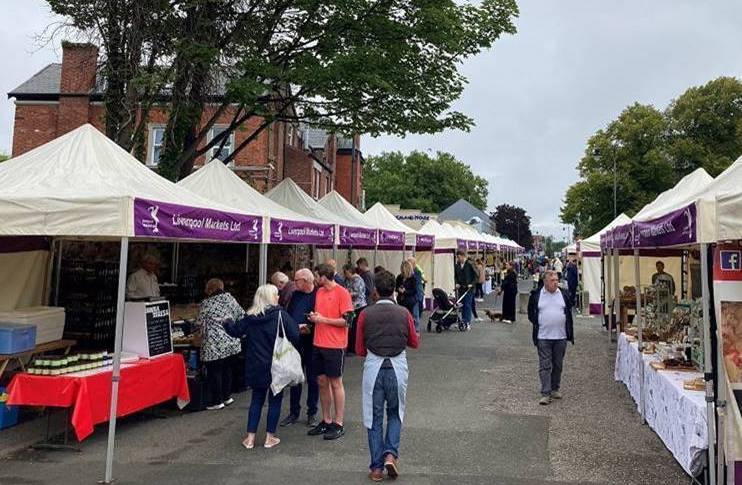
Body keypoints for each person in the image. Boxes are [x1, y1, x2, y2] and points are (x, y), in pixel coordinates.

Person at [355, 270, 419, 481]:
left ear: (375, 291)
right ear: (394, 290)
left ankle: (376, 467)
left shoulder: (365, 314)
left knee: (373, 418)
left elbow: (359, 349)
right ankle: (390, 453)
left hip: (374, 366)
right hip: (397, 366)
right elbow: (414, 342)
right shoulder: (404, 313)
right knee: (395, 412)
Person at [223, 284, 299, 449]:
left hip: (255, 364)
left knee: (256, 400)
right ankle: (269, 437)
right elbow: (295, 335)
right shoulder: (280, 315)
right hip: (276, 365)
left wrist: (227, 321)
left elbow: (235, 331)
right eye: (276, 295)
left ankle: (250, 438)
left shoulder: (250, 318)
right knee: (275, 400)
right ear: (271, 297)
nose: (279, 297)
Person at [307, 263, 354, 440]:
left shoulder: (342, 293)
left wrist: (323, 319)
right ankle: (326, 420)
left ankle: (338, 422)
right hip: (319, 342)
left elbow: (348, 321)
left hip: (336, 345)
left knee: (336, 382)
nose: (315, 279)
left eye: (317, 276)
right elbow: (320, 315)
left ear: (324, 277)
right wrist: (314, 317)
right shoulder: (319, 292)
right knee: (321, 381)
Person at [527, 271, 574, 406]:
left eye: (556, 280)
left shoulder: (564, 294)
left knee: (558, 364)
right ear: (545, 282)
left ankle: (555, 388)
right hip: (543, 335)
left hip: (561, 336)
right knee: (545, 365)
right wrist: (540, 322)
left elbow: (568, 310)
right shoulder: (537, 295)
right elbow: (531, 314)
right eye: (552, 280)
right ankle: (545, 393)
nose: (555, 282)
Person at [197, 278, 244, 410]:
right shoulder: (230, 299)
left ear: (210, 289)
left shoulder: (205, 303)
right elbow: (241, 315)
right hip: (231, 340)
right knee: (227, 369)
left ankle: (217, 401)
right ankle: (227, 397)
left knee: (215, 371)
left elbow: (200, 323)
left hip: (214, 344)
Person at [280, 269, 319, 427]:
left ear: (306, 280)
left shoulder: (318, 295)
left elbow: (320, 316)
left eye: (296, 280)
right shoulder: (295, 295)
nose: (294, 283)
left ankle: (312, 412)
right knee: (295, 377)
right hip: (295, 340)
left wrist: (310, 326)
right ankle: (293, 412)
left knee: (312, 378)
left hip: (311, 341)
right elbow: (289, 315)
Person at [454, 250, 477, 330]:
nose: (458, 258)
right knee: (462, 305)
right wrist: (456, 283)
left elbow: (476, 275)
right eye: (457, 257)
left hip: (469, 289)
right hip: (461, 288)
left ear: (463, 256)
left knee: (467, 305)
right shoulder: (457, 265)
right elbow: (456, 276)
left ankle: (467, 322)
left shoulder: (470, 264)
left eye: (459, 257)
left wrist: (472, 284)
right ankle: (463, 322)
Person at [407, 257, 425, 335]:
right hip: (413, 295)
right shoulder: (411, 272)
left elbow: (417, 286)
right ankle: (412, 329)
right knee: (413, 313)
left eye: (409, 262)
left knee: (415, 313)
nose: (408, 264)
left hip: (416, 295)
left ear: (413, 264)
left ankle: (416, 330)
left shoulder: (417, 272)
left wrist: (417, 297)